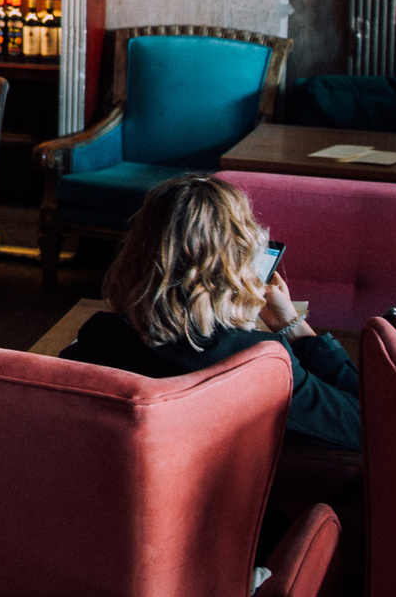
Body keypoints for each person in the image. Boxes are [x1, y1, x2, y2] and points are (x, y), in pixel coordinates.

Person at [59, 173, 359, 450]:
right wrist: (292, 324)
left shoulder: (101, 335)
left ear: (138, 249)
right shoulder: (258, 360)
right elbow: (362, 424)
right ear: (240, 258)